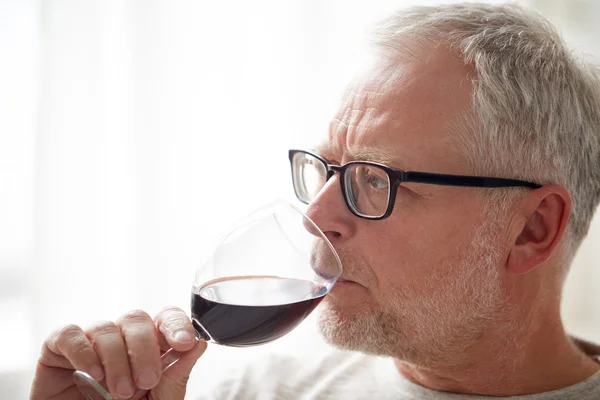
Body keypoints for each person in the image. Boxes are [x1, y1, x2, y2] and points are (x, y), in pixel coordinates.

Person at [30, 2, 600, 399]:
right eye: (326, 171)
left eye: (375, 179)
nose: (316, 217)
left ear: (531, 229)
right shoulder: (243, 394)